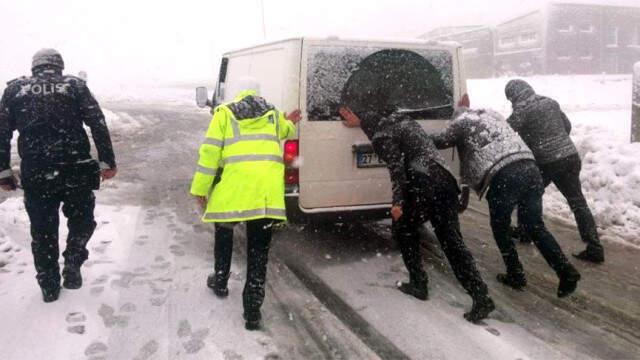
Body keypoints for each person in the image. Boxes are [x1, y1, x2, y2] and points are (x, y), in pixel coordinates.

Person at [339, 105, 495, 323]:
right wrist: (362, 120)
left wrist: (398, 203)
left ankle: (418, 284)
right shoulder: (406, 122)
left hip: (423, 183)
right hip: (445, 181)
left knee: (403, 229)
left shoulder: (382, 136)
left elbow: (396, 168)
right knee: (451, 241)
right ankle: (480, 294)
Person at [0, 49, 117, 302]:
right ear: (59, 67)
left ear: (35, 68)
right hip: (76, 168)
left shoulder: (15, 90)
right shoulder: (74, 86)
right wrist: (107, 160)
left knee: (42, 232)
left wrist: (3, 171)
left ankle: (49, 285)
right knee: (82, 220)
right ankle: (74, 257)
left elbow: (2, 132)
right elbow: (97, 122)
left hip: (38, 173)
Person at [432, 107, 581, 298]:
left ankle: (515, 274)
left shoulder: (461, 123)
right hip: (530, 168)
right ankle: (565, 271)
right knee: (535, 226)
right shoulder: (493, 115)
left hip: (504, 175)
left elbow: (440, 140)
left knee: (500, 227)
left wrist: (418, 135)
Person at [190, 78, 300, 331]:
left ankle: (220, 281)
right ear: (259, 96)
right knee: (258, 252)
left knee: (224, 233)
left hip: (234, 191)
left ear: (238, 96)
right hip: (265, 196)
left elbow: (209, 154)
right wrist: (289, 121)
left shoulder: (224, 113)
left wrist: (200, 189)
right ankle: (252, 310)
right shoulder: (272, 115)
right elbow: (286, 130)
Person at [505, 79, 604, 263]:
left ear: (513, 96)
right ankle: (595, 247)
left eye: (510, 98)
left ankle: (526, 231)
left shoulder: (522, 110)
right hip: (570, 157)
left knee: (527, 195)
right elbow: (567, 126)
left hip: (547, 162)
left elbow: (506, 131)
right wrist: (556, 140)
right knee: (578, 202)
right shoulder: (550, 102)